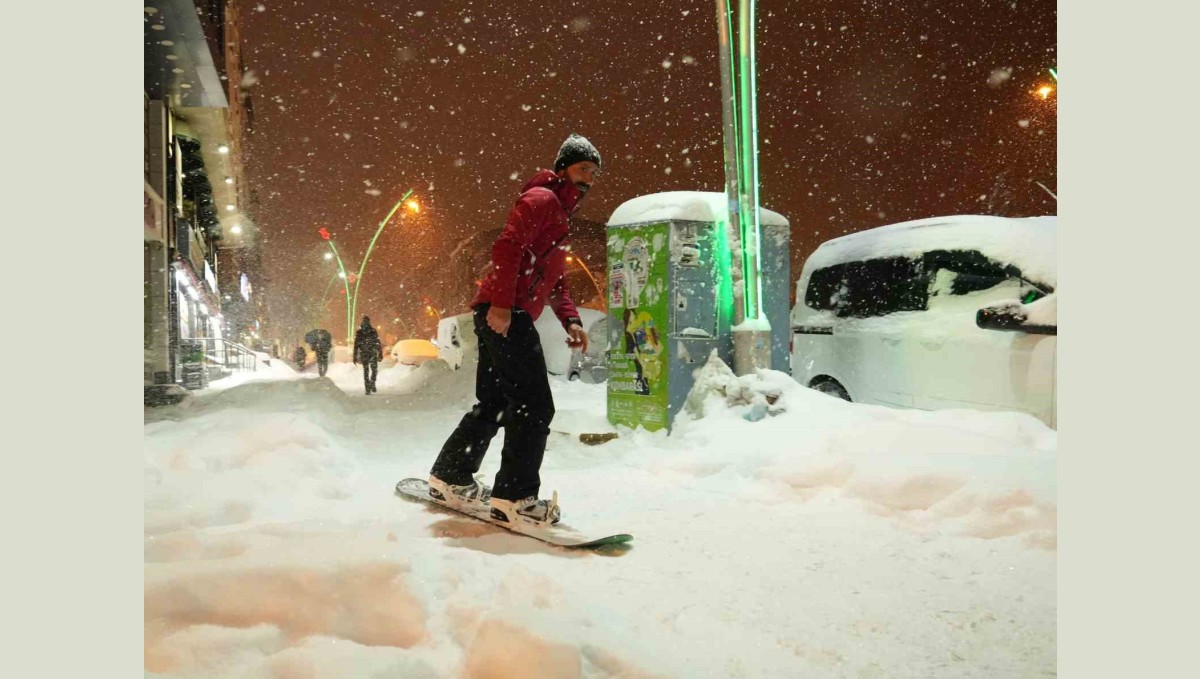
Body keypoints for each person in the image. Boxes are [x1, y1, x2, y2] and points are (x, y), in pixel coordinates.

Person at [428, 133, 600, 526]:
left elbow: (555, 280)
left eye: (593, 172)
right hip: (508, 313)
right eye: (582, 168)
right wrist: (504, 306)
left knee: (496, 403)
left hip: (502, 311)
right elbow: (508, 247)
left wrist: (570, 319)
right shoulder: (542, 201)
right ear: (562, 168)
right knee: (535, 406)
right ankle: (516, 498)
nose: (588, 178)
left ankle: (450, 476)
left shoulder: (560, 215)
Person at [353, 316, 383, 395]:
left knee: (366, 371)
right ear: (369, 321)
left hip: (364, 354)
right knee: (374, 370)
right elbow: (378, 343)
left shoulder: (359, 332)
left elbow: (356, 345)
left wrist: (355, 356)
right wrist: (380, 353)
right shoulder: (373, 331)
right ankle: (372, 383)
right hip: (372, 353)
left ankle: (367, 389)